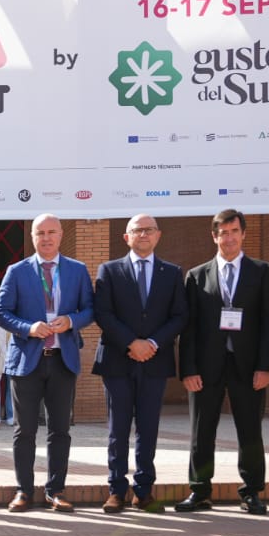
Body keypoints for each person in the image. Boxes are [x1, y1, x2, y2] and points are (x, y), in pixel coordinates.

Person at [177, 208, 269, 515]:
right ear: (214, 236)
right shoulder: (197, 276)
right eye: (223, 233)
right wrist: (188, 369)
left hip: (248, 367)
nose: (229, 238)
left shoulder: (262, 271)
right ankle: (199, 491)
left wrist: (266, 366)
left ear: (243, 234)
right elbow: (188, 328)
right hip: (205, 368)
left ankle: (251, 492)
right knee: (201, 431)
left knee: (250, 430)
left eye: (235, 231)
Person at [0, 213, 93, 514]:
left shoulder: (77, 270)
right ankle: (23, 491)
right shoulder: (17, 271)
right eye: (40, 233)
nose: (46, 238)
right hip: (27, 360)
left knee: (60, 430)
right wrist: (28, 328)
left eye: (51, 232)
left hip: (63, 360)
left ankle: (55, 491)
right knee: (24, 431)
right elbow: (1, 312)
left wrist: (71, 321)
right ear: (33, 237)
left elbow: (90, 309)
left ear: (61, 235)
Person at [92, 213, 187, 514]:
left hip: (155, 361)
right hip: (117, 360)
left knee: (148, 427)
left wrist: (153, 343)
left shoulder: (172, 273)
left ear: (158, 235)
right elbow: (103, 313)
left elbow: (180, 315)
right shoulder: (109, 270)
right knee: (118, 429)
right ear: (126, 237)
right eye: (137, 230)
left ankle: (143, 490)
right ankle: (116, 490)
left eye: (149, 230)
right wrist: (132, 343)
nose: (143, 234)